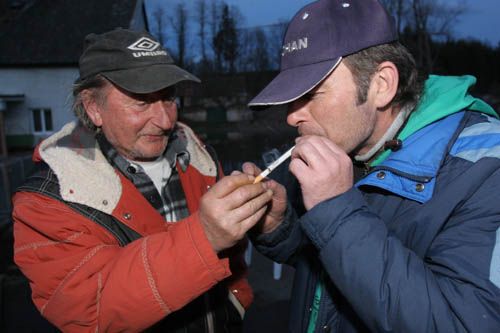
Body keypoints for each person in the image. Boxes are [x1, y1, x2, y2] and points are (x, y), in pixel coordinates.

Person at [243, 0, 500, 332]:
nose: (292, 116)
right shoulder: (348, 145)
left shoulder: (484, 169)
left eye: (313, 93)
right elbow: (331, 266)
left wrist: (336, 209)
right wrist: (278, 227)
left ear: (382, 85)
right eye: (292, 97)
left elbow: (463, 323)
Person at [11, 28, 273, 332]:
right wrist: (203, 238)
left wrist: (264, 222)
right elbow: (87, 310)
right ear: (94, 107)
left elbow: (234, 257)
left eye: (169, 98)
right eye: (142, 102)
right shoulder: (45, 202)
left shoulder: (201, 159)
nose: (165, 120)